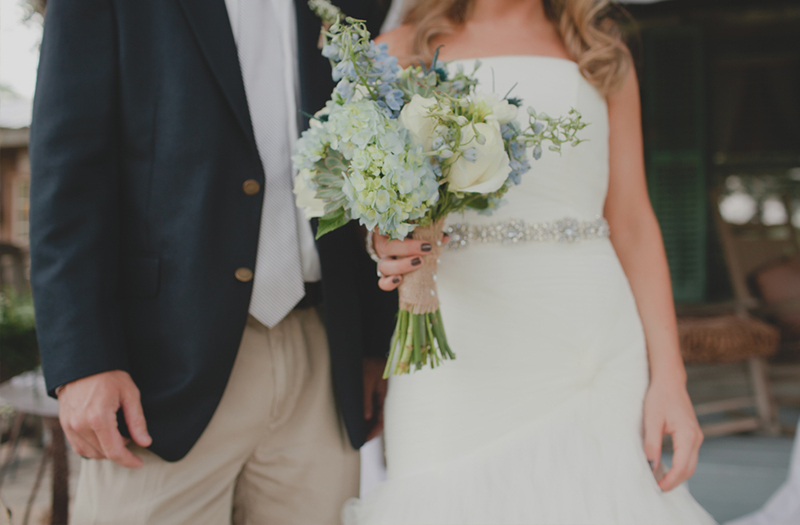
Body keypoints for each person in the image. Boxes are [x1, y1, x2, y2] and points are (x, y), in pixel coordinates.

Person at [346, 0, 718, 523]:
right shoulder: (394, 53)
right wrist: (384, 243)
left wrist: (671, 380)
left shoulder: (600, 54)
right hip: (451, 341)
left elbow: (633, 221)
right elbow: (375, 210)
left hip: (589, 341)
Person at [28, 1, 395, 523]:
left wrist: (372, 343)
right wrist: (82, 360)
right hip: (159, 366)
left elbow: (375, 152)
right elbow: (68, 171)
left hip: (322, 352)